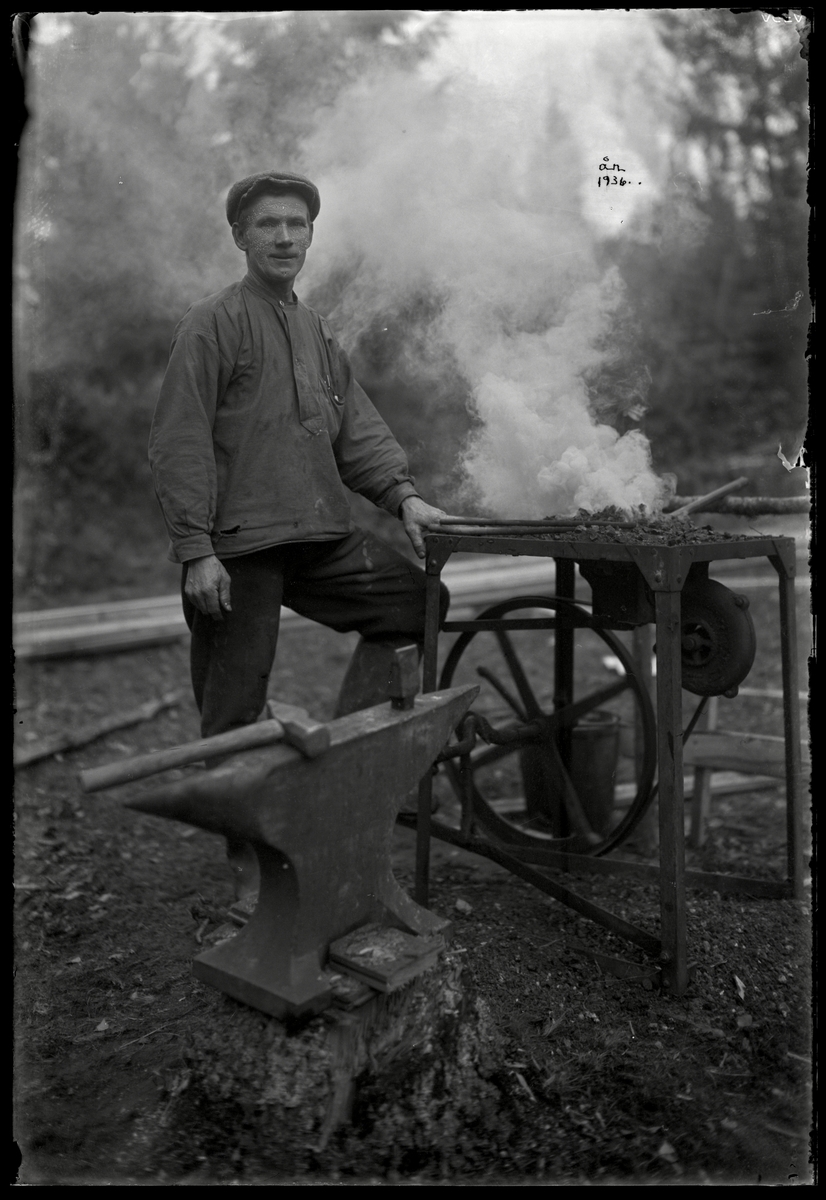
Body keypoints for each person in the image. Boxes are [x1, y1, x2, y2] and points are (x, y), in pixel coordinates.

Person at [148, 172, 450, 893]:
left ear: (311, 236)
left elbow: (357, 432)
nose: (284, 237)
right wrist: (197, 551)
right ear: (240, 237)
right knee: (233, 711)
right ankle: (251, 875)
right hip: (238, 549)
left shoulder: (316, 331)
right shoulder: (211, 324)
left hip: (318, 537)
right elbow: (179, 442)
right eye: (267, 225)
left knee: (417, 603)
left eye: (296, 225)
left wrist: (404, 498)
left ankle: (343, 773)